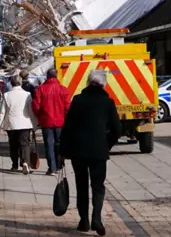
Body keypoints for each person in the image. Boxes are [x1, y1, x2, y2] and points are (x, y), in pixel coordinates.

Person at [60, 70, 121, 236]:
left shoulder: (78, 100)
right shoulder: (108, 102)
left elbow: (68, 127)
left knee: (81, 186)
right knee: (98, 187)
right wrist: (106, 144)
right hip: (98, 151)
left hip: (78, 151)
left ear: (88, 83)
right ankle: (96, 218)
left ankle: (84, 221)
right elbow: (117, 129)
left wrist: (63, 151)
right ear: (103, 84)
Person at [32, 68, 71, 175]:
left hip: (46, 121)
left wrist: (39, 116)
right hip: (60, 121)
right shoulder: (63, 89)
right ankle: (59, 165)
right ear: (56, 76)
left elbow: (36, 106)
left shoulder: (40, 89)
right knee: (59, 144)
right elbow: (68, 107)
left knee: (49, 145)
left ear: (47, 76)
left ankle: (52, 168)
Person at [0, 75, 37, 174]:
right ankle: (25, 162)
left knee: (13, 145)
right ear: (21, 83)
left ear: (11, 83)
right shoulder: (27, 94)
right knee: (25, 144)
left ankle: (14, 165)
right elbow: (31, 111)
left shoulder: (6, 95)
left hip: (11, 124)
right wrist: (34, 124)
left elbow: (2, 113)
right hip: (25, 124)